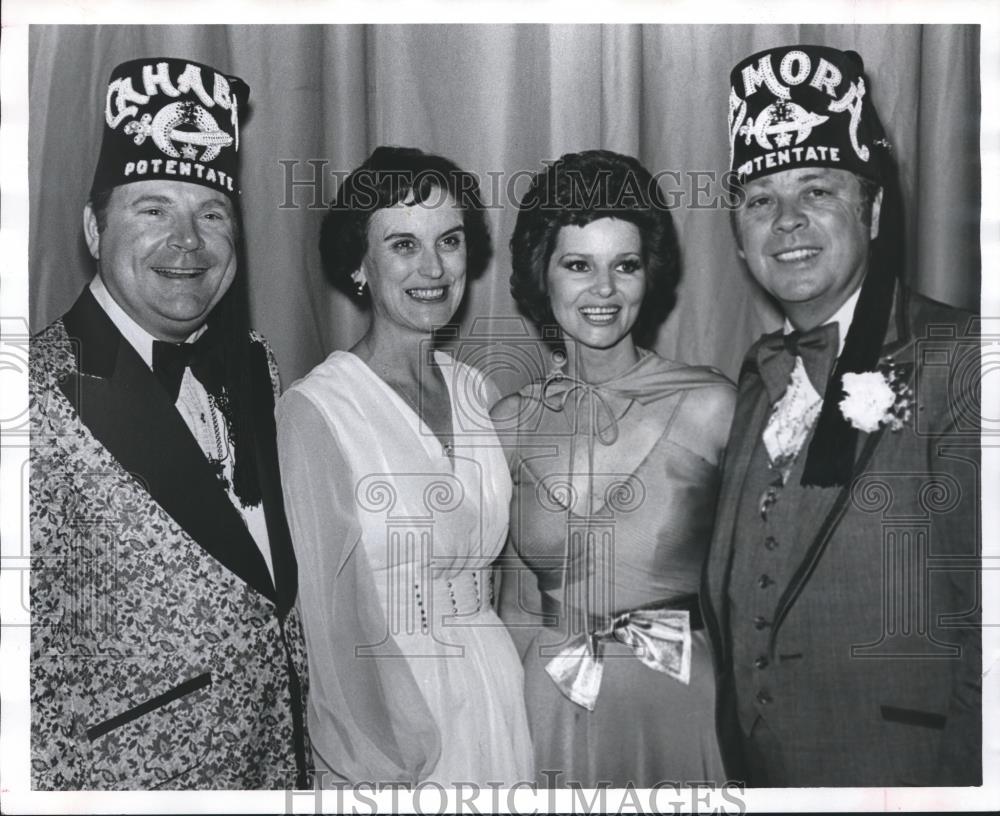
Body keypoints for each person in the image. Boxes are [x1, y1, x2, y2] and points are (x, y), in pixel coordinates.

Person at [702, 44, 981, 786]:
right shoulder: (758, 377)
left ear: (874, 208)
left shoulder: (963, 361)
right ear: (738, 237)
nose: (786, 222)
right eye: (761, 200)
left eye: (817, 191)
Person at [30, 58, 309, 789]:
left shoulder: (256, 367)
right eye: (153, 209)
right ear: (94, 227)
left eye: (211, 214)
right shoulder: (27, 393)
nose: (188, 243)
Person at [277, 146, 533, 786]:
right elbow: (326, 626)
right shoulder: (317, 410)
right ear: (360, 266)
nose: (432, 267)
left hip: (494, 689)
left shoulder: (475, 389)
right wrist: (384, 762)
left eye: (448, 241)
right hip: (394, 721)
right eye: (402, 245)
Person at [493, 149, 735, 787]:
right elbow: (516, 606)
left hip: (683, 698)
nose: (604, 290)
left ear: (647, 275)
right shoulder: (509, 423)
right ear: (542, 278)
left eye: (623, 266)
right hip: (553, 702)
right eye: (578, 265)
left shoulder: (712, 404)